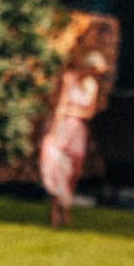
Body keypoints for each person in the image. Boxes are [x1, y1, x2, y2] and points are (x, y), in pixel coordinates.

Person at [38, 50, 108, 227]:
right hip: (60, 126)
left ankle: (65, 207)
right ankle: (54, 209)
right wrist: (54, 131)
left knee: (72, 170)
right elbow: (61, 105)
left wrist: (73, 111)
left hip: (77, 129)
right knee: (55, 165)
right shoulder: (69, 79)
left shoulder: (92, 85)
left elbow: (89, 111)